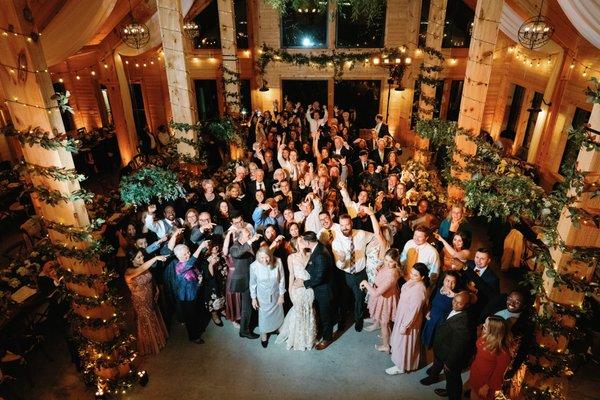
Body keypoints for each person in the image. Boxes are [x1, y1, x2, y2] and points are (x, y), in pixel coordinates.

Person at [420, 291, 475, 400]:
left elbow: (458, 347)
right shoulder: (455, 309)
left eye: (460, 303)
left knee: (452, 378)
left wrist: (450, 363)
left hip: (450, 355)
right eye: (454, 300)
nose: (455, 304)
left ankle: (454, 395)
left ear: (467, 305)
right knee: (437, 363)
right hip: (442, 348)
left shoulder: (463, 322)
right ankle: (433, 377)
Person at [331, 214, 379, 333]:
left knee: (359, 299)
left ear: (351, 223)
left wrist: (371, 250)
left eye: (347, 224)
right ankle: (342, 322)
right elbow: (339, 265)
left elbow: (375, 236)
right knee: (344, 300)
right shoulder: (337, 242)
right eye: (342, 225)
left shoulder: (361, 234)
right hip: (345, 275)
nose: (345, 227)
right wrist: (342, 260)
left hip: (360, 273)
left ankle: (359, 319)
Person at [385, 262, 429, 375]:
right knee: (400, 341)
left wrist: (405, 325)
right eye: (412, 273)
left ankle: (401, 367)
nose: (412, 276)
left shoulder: (420, 290)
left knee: (404, 342)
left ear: (422, 277)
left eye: (415, 275)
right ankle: (399, 362)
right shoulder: (413, 282)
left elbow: (414, 311)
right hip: (403, 315)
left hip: (409, 320)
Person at [294, 231, 335, 350]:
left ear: (307, 242)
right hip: (320, 289)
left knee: (325, 316)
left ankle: (327, 338)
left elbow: (319, 277)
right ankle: (323, 333)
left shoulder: (320, 254)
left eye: (303, 241)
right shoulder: (318, 248)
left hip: (324, 290)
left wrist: (303, 283)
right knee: (322, 314)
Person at [276, 238, 317, 351]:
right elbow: (291, 275)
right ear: (296, 245)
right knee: (299, 311)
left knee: (309, 310)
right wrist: (290, 292)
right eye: (301, 241)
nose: (304, 242)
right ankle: (298, 339)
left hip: (309, 289)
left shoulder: (311, 254)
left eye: (304, 240)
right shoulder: (291, 257)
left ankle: (308, 339)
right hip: (297, 289)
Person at [125, 251, 169, 355]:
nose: (142, 257)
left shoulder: (143, 265)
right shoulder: (129, 272)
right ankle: (149, 345)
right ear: (132, 260)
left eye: (142, 255)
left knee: (153, 315)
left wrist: (156, 287)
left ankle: (158, 339)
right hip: (141, 300)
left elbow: (149, 275)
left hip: (150, 296)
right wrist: (155, 258)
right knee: (146, 319)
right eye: (139, 256)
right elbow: (142, 269)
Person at [359, 249, 402, 352]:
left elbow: (375, 293)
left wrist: (365, 282)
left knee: (384, 324)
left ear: (396, 261)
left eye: (391, 261)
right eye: (386, 260)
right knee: (385, 323)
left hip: (385, 301)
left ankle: (386, 346)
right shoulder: (387, 267)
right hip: (383, 298)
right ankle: (389, 339)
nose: (387, 263)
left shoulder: (391, 275)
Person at [468, 316, 513, 400]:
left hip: (485, 382)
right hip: (475, 374)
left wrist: (487, 386)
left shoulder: (502, 352)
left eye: (486, 325)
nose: (483, 325)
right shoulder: (485, 337)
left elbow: (499, 373)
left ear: (494, 331)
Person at [229, 227, 263, 339]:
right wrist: (250, 241)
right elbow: (237, 254)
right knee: (247, 307)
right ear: (241, 236)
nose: (250, 235)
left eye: (250, 233)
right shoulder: (235, 246)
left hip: (253, 279)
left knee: (251, 304)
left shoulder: (250, 244)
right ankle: (244, 331)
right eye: (248, 234)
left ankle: (249, 325)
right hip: (244, 281)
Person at [172, 242, 209, 344]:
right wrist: (201, 247)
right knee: (190, 318)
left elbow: (195, 272)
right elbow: (191, 262)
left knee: (196, 314)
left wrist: (199, 279)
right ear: (179, 256)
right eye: (185, 254)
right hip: (186, 297)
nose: (188, 255)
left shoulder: (188, 263)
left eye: (188, 252)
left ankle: (197, 330)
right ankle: (194, 337)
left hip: (195, 292)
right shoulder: (179, 266)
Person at [250, 247, 286, 348]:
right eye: (261, 257)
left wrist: (281, 295)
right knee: (263, 316)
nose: (265, 260)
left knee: (278, 313)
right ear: (258, 257)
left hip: (276, 294)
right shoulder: (253, 266)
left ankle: (277, 327)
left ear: (270, 256)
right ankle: (264, 334)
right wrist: (253, 298)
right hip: (262, 296)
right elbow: (252, 284)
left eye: (267, 257)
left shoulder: (278, 261)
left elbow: (282, 279)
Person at [421, 271, 459, 348]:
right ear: (443, 280)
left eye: (453, 282)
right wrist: (428, 311)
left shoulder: (456, 298)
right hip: (431, 319)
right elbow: (431, 301)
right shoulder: (437, 289)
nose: (449, 284)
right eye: (447, 281)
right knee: (425, 340)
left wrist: (455, 296)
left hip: (441, 324)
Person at [200, 239, 227, 327]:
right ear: (210, 249)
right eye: (215, 247)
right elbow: (209, 277)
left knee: (222, 297)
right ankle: (214, 315)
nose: (217, 248)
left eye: (217, 246)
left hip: (221, 282)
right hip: (212, 285)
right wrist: (211, 265)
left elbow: (224, 269)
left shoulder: (220, 256)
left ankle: (222, 309)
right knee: (213, 300)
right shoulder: (205, 261)